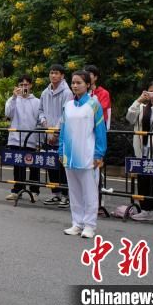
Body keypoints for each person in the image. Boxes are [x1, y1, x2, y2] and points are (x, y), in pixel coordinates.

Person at [59, 70, 107, 239]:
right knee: (74, 191)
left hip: (88, 156)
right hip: (70, 156)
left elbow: (101, 132)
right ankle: (77, 223)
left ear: (88, 85)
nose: (75, 85)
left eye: (79, 83)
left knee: (90, 192)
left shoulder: (94, 105)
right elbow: (63, 130)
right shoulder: (68, 105)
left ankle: (89, 225)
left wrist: (99, 154)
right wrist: (60, 150)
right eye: (73, 82)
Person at [126, 81, 153, 221]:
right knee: (143, 178)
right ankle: (145, 209)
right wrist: (138, 101)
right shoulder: (142, 106)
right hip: (142, 147)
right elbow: (130, 118)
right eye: (151, 92)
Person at [38, 64, 74, 208]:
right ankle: (55, 193)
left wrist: (56, 130)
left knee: (63, 166)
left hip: (62, 136)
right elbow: (40, 110)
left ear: (62, 76)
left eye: (57, 73)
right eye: (51, 73)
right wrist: (43, 121)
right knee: (51, 164)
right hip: (48, 134)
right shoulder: (45, 92)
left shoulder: (67, 93)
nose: (53, 75)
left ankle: (66, 195)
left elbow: (66, 114)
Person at [4, 74, 41, 200]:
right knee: (18, 165)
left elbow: (39, 120)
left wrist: (39, 141)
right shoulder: (12, 100)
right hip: (15, 138)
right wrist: (14, 97)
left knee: (33, 166)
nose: (24, 87)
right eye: (21, 85)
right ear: (17, 86)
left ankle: (34, 191)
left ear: (30, 85)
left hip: (31, 139)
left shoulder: (37, 102)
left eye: (26, 85)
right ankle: (17, 190)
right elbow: (8, 113)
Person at [84, 65, 112, 129]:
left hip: (99, 125)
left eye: (89, 74)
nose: (86, 76)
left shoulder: (103, 93)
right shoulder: (80, 92)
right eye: (84, 74)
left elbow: (99, 110)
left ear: (95, 77)